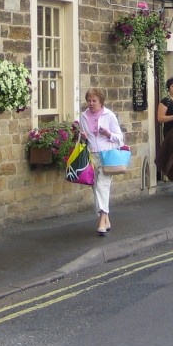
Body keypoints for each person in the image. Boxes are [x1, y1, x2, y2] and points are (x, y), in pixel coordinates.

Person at [78, 87, 126, 236]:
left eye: (94, 100)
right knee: (95, 189)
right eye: (89, 100)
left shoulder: (109, 115)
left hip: (107, 155)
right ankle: (106, 219)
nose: (91, 103)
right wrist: (83, 137)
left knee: (102, 187)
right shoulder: (83, 116)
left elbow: (120, 138)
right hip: (92, 156)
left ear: (101, 101)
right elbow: (82, 138)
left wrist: (108, 134)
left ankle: (102, 221)